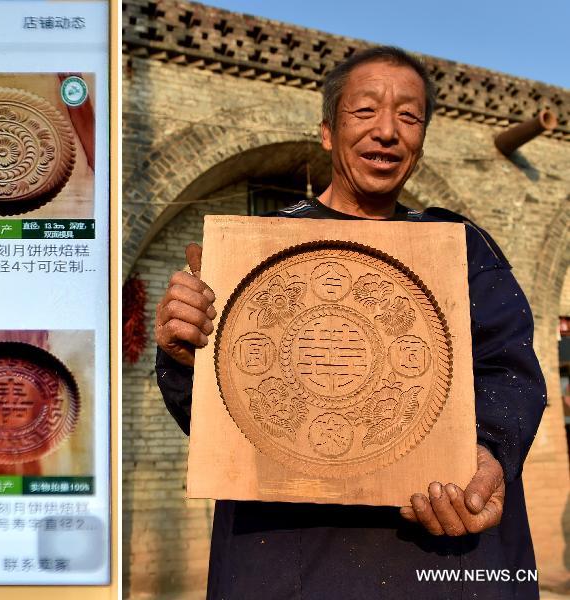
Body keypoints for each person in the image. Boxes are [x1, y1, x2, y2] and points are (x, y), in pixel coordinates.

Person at [153, 46, 547, 599]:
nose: (387, 130)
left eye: (409, 116)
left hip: (433, 548)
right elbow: (216, 418)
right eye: (364, 112)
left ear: (422, 139)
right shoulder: (256, 250)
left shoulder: (461, 248)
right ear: (328, 132)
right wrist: (181, 349)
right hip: (291, 552)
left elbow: (510, 370)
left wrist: (487, 452)